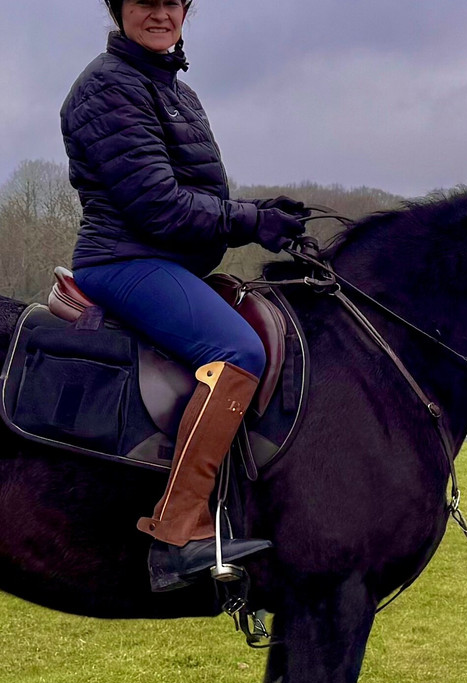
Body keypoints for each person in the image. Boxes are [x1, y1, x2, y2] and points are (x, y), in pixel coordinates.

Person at [61, 0, 306, 590]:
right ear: (120, 9)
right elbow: (159, 206)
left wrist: (262, 216)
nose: (160, 13)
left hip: (168, 263)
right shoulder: (107, 87)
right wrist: (249, 222)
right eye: (145, 1)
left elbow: (199, 194)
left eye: (172, 2)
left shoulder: (173, 88)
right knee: (237, 353)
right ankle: (176, 533)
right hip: (124, 261)